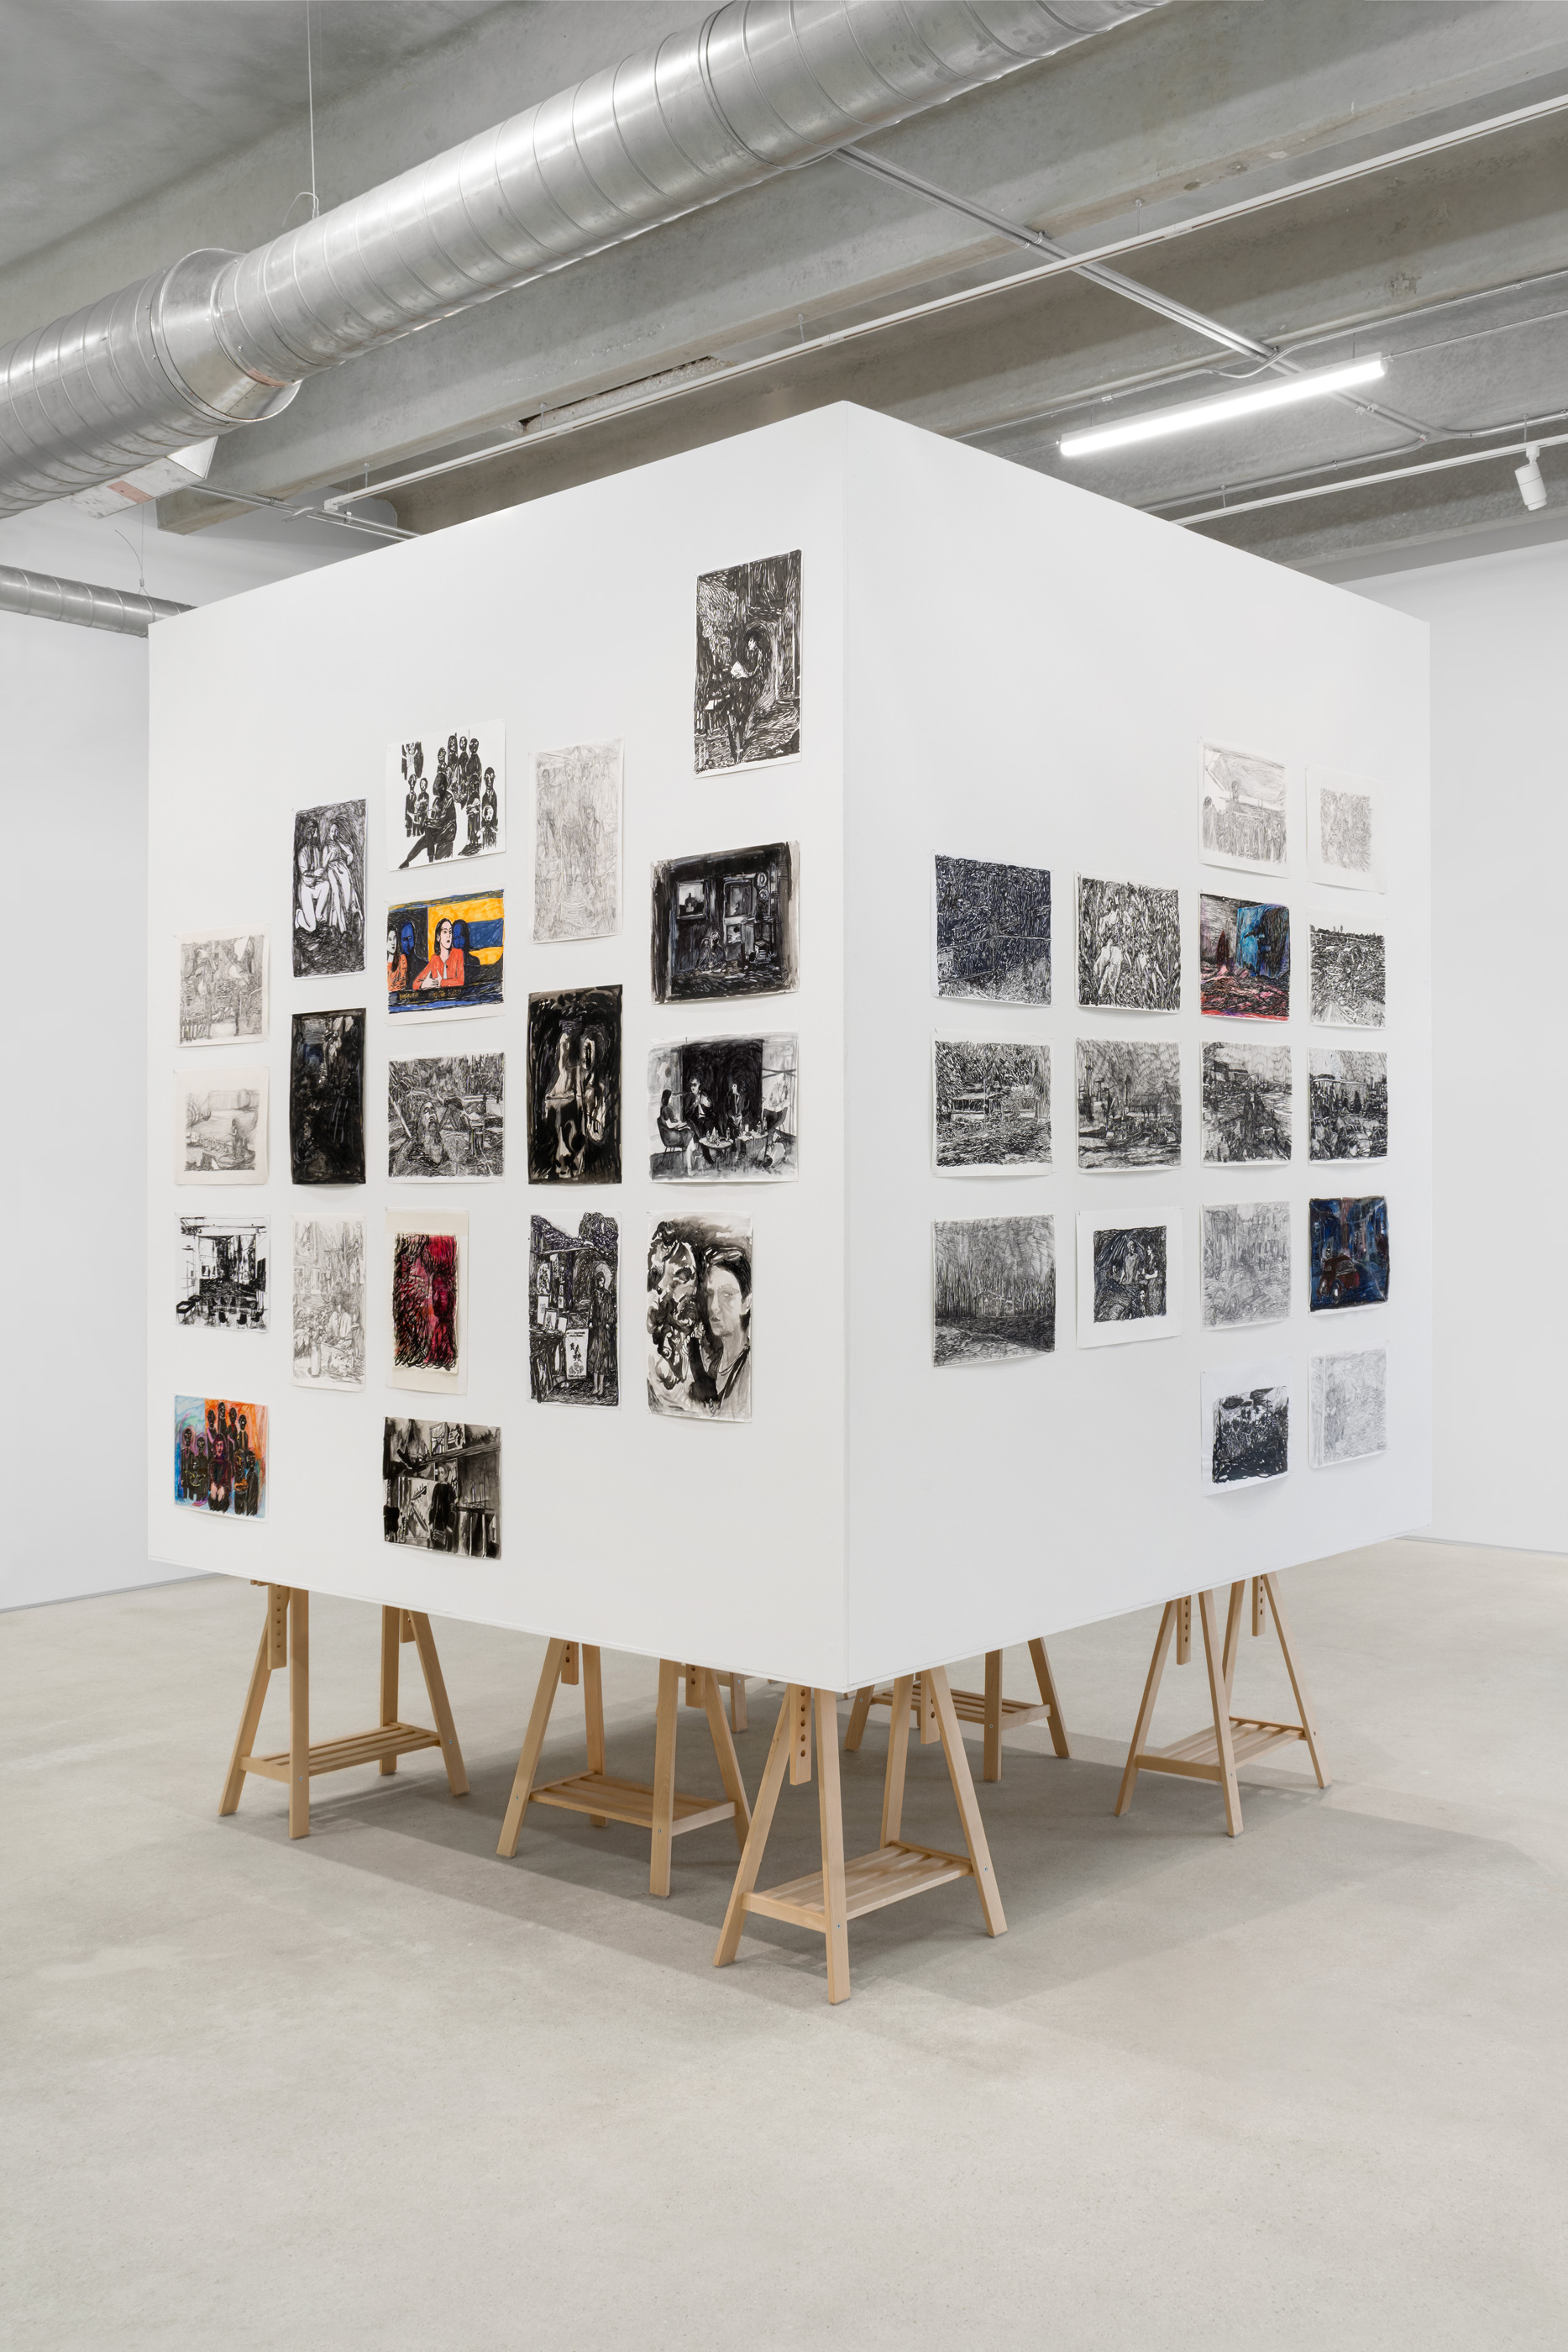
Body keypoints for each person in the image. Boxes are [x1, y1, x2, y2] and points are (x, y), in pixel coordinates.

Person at [414, 916, 464, 991]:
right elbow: (415, 984)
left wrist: (441, 982)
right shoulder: (434, 959)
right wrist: (423, 984)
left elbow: (460, 981)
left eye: (450, 932)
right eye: (445, 932)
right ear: (438, 937)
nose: (448, 936)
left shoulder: (458, 953)